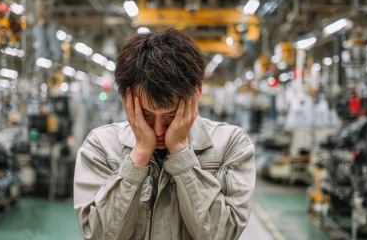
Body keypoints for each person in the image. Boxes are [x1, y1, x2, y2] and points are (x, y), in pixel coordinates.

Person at [73, 27, 256, 240]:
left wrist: (181, 153)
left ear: (197, 93)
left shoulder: (231, 145)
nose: (159, 130)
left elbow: (221, 234)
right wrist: (139, 154)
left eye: (170, 115)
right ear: (125, 97)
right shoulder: (100, 147)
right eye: (147, 115)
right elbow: (100, 236)